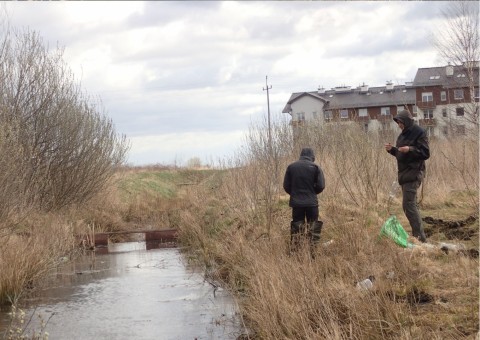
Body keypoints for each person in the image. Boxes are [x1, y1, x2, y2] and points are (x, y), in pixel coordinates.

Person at [385, 110, 430, 243]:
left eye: (400, 122)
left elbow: (425, 153)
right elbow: (401, 154)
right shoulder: (402, 136)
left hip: (414, 172)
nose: (399, 124)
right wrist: (392, 150)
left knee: (408, 206)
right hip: (404, 174)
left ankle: (420, 239)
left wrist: (410, 149)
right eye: (398, 122)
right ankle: (418, 235)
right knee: (411, 206)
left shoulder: (419, 132)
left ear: (407, 121)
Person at [283, 147, 325, 253]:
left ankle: (297, 251)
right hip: (312, 204)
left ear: (301, 155)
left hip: (296, 204)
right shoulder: (315, 167)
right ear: (312, 157)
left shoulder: (291, 167)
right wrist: (312, 193)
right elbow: (321, 186)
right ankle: (312, 252)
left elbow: (286, 185)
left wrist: (294, 194)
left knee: (297, 227)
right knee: (313, 227)